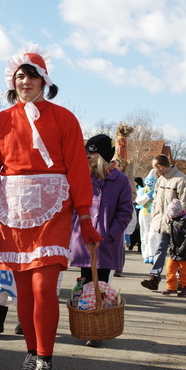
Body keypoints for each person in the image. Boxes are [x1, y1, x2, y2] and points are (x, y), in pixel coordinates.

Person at [0, 46, 101, 370]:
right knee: (24, 292)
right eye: (19, 76)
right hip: (13, 213)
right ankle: (31, 353)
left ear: (44, 80)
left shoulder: (64, 118)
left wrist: (85, 216)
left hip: (53, 212)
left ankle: (45, 361)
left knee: (44, 287)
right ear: (12, 82)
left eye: (31, 75)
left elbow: (78, 169)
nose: (25, 81)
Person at [69, 134, 134, 346]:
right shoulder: (82, 176)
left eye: (93, 152)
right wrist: (75, 230)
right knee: (85, 282)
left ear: (104, 155)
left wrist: (108, 235)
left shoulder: (120, 180)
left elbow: (125, 212)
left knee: (102, 285)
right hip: (83, 241)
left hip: (106, 243)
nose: (88, 156)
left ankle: (97, 329)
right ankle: (86, 324)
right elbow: (73, 207)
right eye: (87, 152)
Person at [140, 154, 186, 291]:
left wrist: (180, 222)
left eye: (154, 167)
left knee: (177, 253)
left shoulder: (182, 180)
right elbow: (156, 200)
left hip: (176, 225)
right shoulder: (160, 180)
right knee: (160, 248)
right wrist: (155, 215)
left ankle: (181, 280)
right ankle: (154, 277)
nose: (154, 170)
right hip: (161, 223)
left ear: (160, 166)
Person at [161, 199, 186, 297]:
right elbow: (172, 237)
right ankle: (171, 287)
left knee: (184, 271)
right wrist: (171, 248)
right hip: (173, 252)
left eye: (171, 213)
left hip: (185, 253)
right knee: (170, 269)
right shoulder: (173, 221)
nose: (170, 215)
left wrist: (181, 250)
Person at [135, 170, 158, 264]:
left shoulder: (158, 191)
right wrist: (147, 196)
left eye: (152, 181)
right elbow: (139, 201)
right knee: (144, 234)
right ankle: (146, 255)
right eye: (148, 181)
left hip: (154, 214)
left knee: (152, 235)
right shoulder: (141, 191)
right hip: (144, 213)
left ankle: (152, 254)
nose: (150, 183)